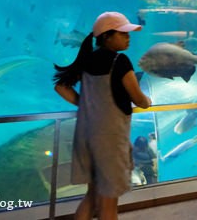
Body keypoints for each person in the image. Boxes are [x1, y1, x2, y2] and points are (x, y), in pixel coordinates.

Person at [54, 11, 152, 220]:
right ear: (107, 36)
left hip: (87, 137)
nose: (128, 37)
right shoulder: (120, 61)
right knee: (108, 204)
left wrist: (85, 103)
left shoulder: (87, 59)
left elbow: (61, 86)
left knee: (92, 195)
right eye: (123, 33)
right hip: (109, 140)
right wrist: (147, 101)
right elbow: (138, 99)